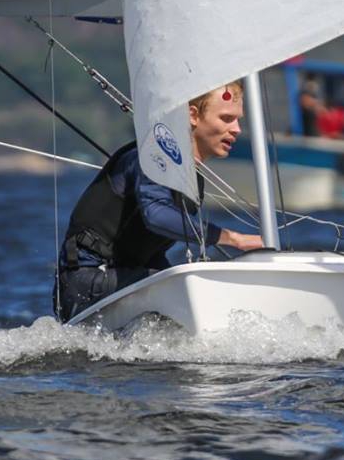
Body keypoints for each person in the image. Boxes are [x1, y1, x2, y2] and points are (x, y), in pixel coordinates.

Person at [54, 81, 264, 322]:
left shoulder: (192, 180)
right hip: (86, 284)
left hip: (126, 278)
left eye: (238, 120)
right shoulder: (150, 157)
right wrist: (234, 239)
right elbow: (156, 214)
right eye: (227, 118)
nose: (237, 129)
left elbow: (150, 254)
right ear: (193, 116)